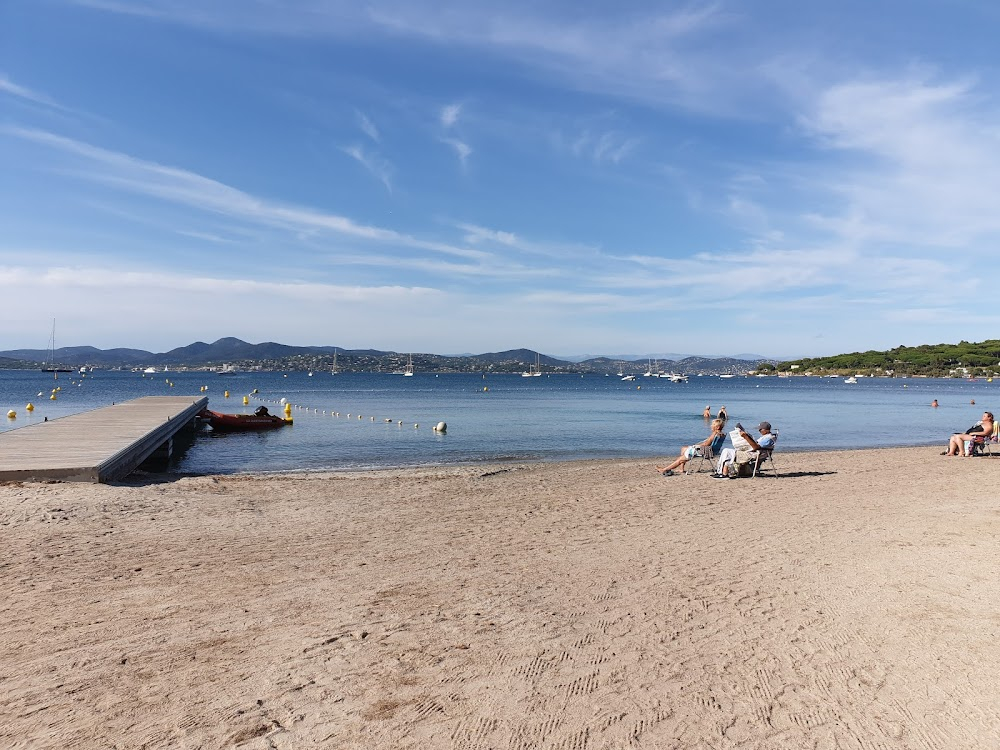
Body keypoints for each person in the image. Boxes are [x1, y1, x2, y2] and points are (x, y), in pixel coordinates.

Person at [656, 418, 726, 476]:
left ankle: (665, 469)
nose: (711, 426)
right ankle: (681, 469)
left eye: (713, 425)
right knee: (683, 448)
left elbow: (706, 444)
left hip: (705, 451)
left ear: (717, 427)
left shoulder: (714, 434)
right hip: (711, 451)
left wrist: (695, 446)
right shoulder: (721, 434)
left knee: (680, 459)